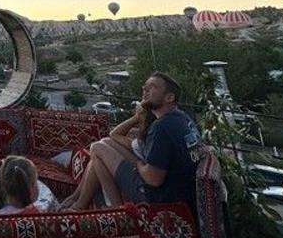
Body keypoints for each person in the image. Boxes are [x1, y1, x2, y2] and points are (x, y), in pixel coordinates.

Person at [71, 73, 202, 213]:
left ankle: (120, 214)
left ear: (169, 97)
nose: (145, 90)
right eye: (144, 87)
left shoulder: (162, 127)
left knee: (97, 148)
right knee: (104, 144)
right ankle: (80, 203)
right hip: (174, 190)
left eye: (152, 87)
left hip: (157, 197)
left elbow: (153, 180)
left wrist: (138, 164)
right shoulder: (181, 118)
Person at [60, 104, 154, 210]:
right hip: (138, 170)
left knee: (97, 148)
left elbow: (114, 133)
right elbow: (112, 137)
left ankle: (115, 208)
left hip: (141, 184)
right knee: (103, 144)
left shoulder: (145, 140)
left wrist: (135, 118)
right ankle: (76, 197)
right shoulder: (144, 139)